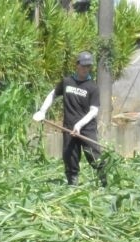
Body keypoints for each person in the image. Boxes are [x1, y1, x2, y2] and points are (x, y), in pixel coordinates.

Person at [33, 51, 106, 186]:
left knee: (93, 155)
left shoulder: (92, 87)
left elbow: (94, 111)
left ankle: (104, 181)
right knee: (70, 157)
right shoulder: (67, 82)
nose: (85, 69)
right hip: (68, 126)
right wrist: (42, 111)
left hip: (86, 128)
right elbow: (53, 94)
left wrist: (79, 125)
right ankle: (72, 183)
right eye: (83, 66)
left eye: (88, 66)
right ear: (77, 65)